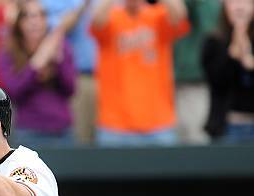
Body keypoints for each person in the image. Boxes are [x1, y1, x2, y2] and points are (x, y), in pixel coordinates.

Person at [91, 0, 190, 147]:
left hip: (158, 123)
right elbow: (96, 21)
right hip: (115, 125)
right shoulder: (111, 16)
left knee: (166, 169)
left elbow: (180, 15)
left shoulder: (158, 14)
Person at [0, 0, 76, 147]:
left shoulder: (60, 45)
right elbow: (13, 92)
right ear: (19, 23)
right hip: (29, 130)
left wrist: (58, 63)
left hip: (62, 130)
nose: (36, 21)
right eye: (29, 16)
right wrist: (36, 64)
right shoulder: (8, 52)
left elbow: (71, 89)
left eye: (41, 15)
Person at [42, 0, 99, 145]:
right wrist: (82, 6)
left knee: (104, 141)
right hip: (78, 79)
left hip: (111, 77)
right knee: (82, 140)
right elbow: (54, 30)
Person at [202, 0, 254, 143]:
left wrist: (249, 61)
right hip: (226, 128)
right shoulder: (213, 42)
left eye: (246, 2)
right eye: (233, 2)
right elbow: (217, 81)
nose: (240, 7)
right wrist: (233, 55)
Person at [173, 0, 220, 145]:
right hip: (165, 86)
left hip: (196, 84)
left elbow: (209, 26)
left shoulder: (208, 5)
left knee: (196, 141)